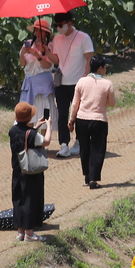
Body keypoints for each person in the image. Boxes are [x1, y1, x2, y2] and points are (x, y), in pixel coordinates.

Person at [49, 12, 93, 159]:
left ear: (69, 23)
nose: (58, 28)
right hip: (61, 83)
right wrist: (45, 53)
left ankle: (79, 142)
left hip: (78, 84)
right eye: (56, 25)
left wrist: (85, 78)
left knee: (79, 115)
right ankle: (63, 144)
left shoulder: (83, 38)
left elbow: (89, 59)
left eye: (61, 25)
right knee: (62, 114)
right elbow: (56, 59)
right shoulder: (56, 39)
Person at [69, 55, 115, 189]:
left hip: (81, 120)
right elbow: (112, 104)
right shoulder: (107, 84)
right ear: (100, 68)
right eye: (105, 67)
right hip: (99, 120)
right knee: (97, 149)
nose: (106, 70)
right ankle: (93, 179)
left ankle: (87, 175)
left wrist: (71, 120)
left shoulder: (81, 82)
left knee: (84, 148)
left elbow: (75, 104)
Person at [8, 102, 50, 242]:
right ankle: (30, 233)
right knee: (30, 200)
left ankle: (20, 232)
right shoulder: (31, 134)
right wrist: (48, 125)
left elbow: (24, 136)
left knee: (18, 199)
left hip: (17, 170)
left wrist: (35, 128)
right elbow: (46, 141)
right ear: (29, 117)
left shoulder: (12, 131)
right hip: (31, 172)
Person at [19, 19, 56, 128]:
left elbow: (48, 65)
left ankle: (44, 139)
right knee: (29, 111)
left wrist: (37, 55)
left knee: (45, 110)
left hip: (44, 83)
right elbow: (22, 64)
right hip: (30, 82)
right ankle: (30, 137)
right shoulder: (28, 44)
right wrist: (23, 53)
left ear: (46, 33)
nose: (38, 34)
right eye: (36, 31)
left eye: (41, 31)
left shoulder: (50, 46)